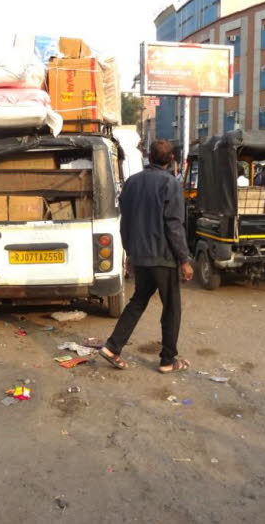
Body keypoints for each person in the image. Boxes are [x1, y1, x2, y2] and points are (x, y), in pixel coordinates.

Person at [99, 139, 194, 373]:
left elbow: (125, 224)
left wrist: (130, 254)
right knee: (171, 308)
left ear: (149, 157)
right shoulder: (170, 184)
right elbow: (174, 225)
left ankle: (112, 347)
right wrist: (184, 259)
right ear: (171, 159)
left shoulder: (131, 183)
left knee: (138, 301)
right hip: (163, 257)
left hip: (141, 257)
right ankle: (167, 360)